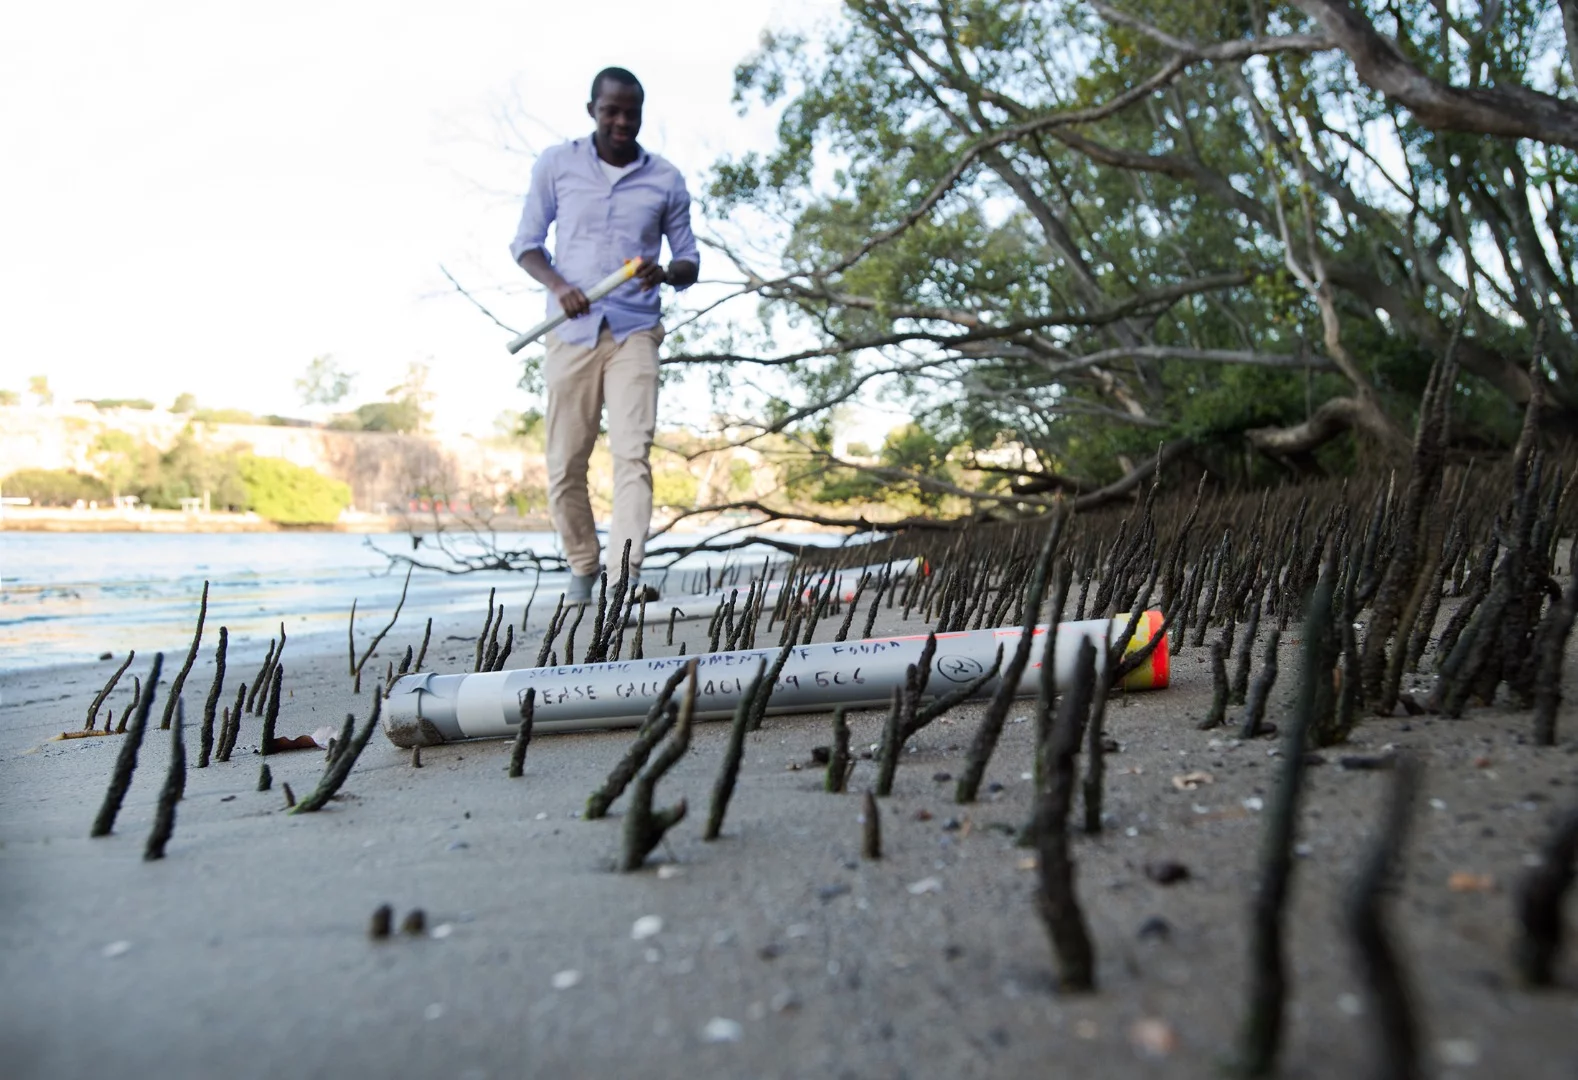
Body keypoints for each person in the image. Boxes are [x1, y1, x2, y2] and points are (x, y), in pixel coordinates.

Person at [510, 66, 698, 604]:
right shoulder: (556, 165)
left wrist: (663, 273)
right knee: (565, 461)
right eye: (611, 110)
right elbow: (526, 244)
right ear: (592, 108)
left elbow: (688, 261)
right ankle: (584, 565)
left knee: (632, 453)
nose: (621, 121)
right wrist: (559, 285)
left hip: (636, 330)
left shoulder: (665, 179)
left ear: (640, 114)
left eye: (631, 112)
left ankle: (624, 572)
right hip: (571, 332)